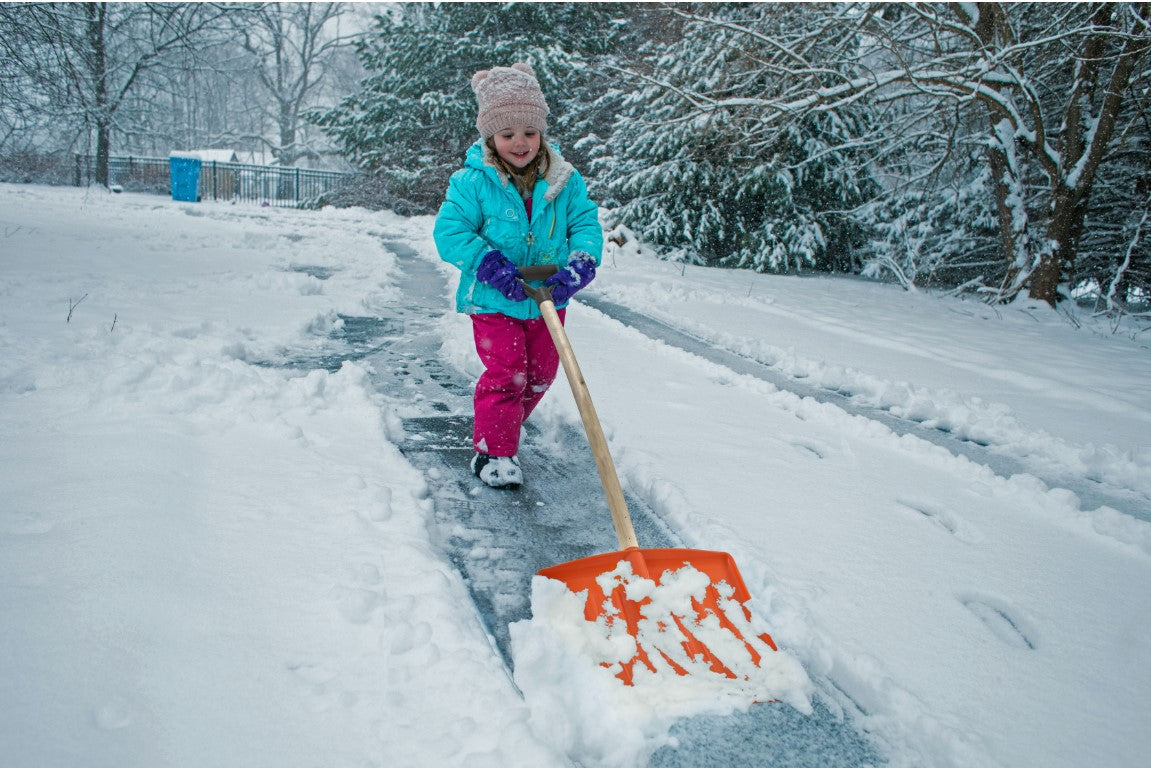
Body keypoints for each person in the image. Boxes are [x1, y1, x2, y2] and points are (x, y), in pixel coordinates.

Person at [433, 62, 603, 489]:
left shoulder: (565, 180)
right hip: (494, 297)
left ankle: (504, 422)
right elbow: (451, 232)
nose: (520, 142)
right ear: (491, 137)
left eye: (529, 131)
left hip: (549, 294)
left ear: (541, 131)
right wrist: (489, 264)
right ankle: (494, 451)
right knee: (509, 373)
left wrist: (580, 262)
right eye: (507, 134)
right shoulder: (471, 182)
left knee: (543, 373)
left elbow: (584, 223)